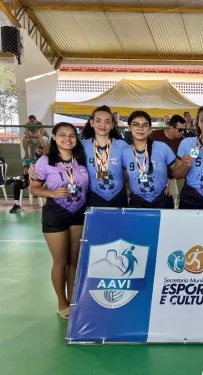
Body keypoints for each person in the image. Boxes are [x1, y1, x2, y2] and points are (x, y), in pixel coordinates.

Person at [29, 122, 89, 320]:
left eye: (72, 135)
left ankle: (73, 300)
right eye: (62, 134)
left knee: (74, 261)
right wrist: (52, 192)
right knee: (60, 261)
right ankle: (61, 303)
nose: (68, 138)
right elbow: (34, 188)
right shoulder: (45, 161)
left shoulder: (81, 159)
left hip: (78, 213)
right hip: (56, 213)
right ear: (54, 137)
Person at [122, 111, 183, 209]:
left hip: (162, 199)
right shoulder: (124, 152)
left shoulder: (162, 147)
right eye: (135, 125)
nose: (140, 128)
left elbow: (177, 170)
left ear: (150, 129)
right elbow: (123, 178)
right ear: (129, 127)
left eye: (144, 125)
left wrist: (170, 180)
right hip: (137, 202)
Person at [81, 106, 128, 208]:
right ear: (92, 123)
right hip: (92, 197)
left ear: (112, 125)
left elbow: (131, 171)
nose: (103, 125)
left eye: (107, 121)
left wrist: (167, 179)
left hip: (118, 198)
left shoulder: (122, 145)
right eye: (98, 121)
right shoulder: (82, 146)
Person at [6, 145, 45, 213]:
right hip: (27, 179)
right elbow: (26, 172)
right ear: (35, 151)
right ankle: (17, 205)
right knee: (17, 183)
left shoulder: (44, 161)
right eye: (38, 150)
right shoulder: (28, 161)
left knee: (27, 176)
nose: (39, 152)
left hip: (39, 180)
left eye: (41, 152)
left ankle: (14, 178)